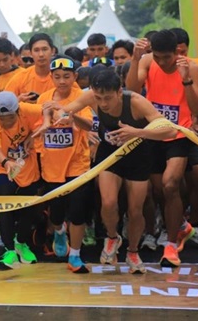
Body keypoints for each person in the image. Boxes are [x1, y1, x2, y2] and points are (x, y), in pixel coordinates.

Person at [55, 68, 177, 274]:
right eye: (99, 98)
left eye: (108, 98)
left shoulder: (136, 102)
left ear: (119, 92)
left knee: (135, 210)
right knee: (109, 202)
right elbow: (65, 109)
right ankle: (112, 237)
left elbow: (171, 131)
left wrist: (137, 132)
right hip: (110, 154)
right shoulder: (92, 96)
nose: (103, 104)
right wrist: (65, 117)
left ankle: (133, 251)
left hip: (138, 156)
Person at [125, 29, 198, 267]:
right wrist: (135, 59)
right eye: (157, 57)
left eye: (166, 57)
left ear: (177, 52)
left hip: (179, 133)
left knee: (171, 184)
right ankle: (181, 225)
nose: (161, 62)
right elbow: (131, 91)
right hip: (154, 132)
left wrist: (186, 80)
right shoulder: (148, 61)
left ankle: (171, 246)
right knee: (160, 190)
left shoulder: (191, 67)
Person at [37, 56, 93, 273]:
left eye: (67, 76)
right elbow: (38, 123)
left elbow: (89, 124)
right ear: (51, 77)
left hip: (77, 164)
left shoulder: (81, 97)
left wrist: (70, 115)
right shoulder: (44, 98)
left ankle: (75, 255)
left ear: (75, 76)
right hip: (52, 165)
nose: (62, 81)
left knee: (78, 211)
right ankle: (60, 231)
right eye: (57, 76)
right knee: (57, 213)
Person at [0, 91, 48, 271]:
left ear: (18, 111)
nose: (6, 122)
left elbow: (47, 109)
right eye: (2, 119)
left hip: (27, 165)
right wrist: (6, 163)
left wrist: (35, 132)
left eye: (10, 118)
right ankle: (9, 250)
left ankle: (21, 243)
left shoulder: (26, 110)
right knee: (5, 200)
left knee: (28, 206)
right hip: (4, 166)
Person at [5, 34, 56, 103]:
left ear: (52, 51)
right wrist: (17, 101)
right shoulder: (20, 78)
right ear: (31, 53)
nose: (41, 54)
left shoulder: (62, 77)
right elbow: (4, 104)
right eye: (36, 50)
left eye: (44, 49)